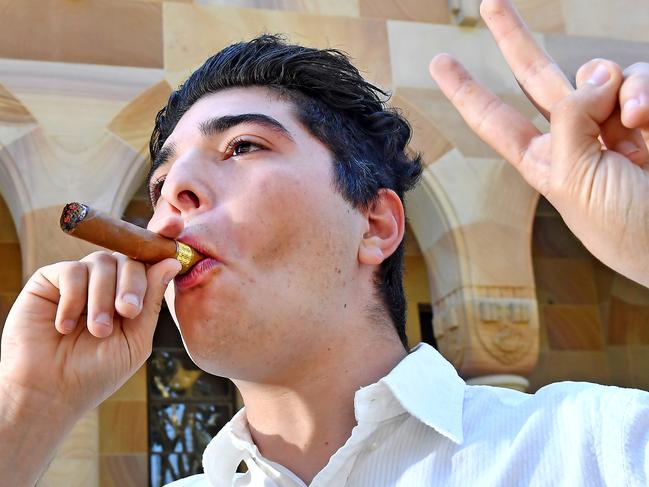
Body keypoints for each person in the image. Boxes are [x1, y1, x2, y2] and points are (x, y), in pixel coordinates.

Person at [1, 0, 648, 485]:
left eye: (242, 146)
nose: (174, 197)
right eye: (163, 181)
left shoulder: (592, 447)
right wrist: (28, 409)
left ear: (374, 223)